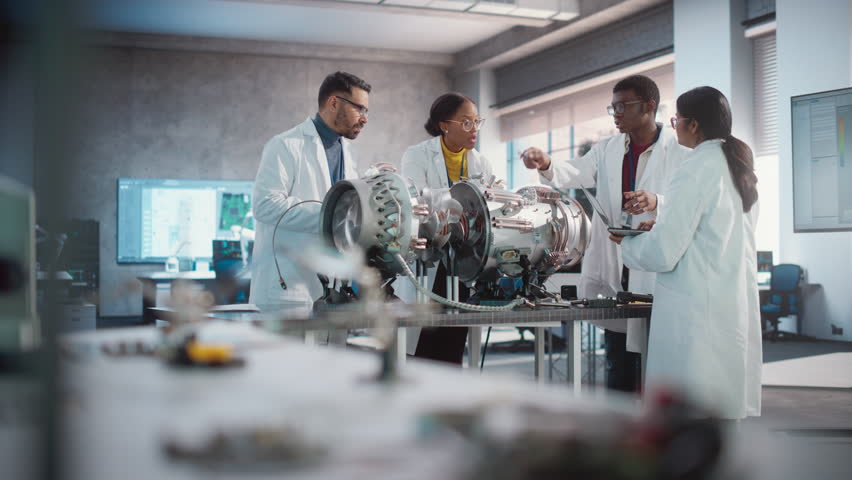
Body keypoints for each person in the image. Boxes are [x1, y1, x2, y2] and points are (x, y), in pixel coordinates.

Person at [521, 75, 688, 392]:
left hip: (654, 269)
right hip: (617, 264)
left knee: (656, 373)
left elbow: (688, 205)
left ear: (649, 107)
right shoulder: (609, 148)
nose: (616, 113)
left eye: (623, 106)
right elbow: (576, 172)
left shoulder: (677, 153)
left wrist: (657, 202)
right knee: (619, 367)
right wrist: (547, 163)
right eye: (613, 107)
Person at [610, 86, 761, 419]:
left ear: (693, 125)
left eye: (677, 119)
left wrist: (629, 243)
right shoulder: (736, 166)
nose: (673, 124)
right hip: (727, 301)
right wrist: (660, 229)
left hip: (695, 309)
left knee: (688, 417)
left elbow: (664, 253)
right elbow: (712, 234)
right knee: (720, 413)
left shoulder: (694, 168)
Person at [250, 71, 371, 326]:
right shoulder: (285, 145)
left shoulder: (346, 152)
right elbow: (265, 205)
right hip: (287, 289)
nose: (365, 118)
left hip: (329, 290)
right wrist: (331, 214)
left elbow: (348, 211)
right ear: (334, 102)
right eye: (360, 108)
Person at [400, 92, 493, 364]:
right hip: (430, 260)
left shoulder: (481, 162)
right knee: (424, 350)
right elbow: (418, 202)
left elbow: (485, 211)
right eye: (466, 122)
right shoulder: (417, 155)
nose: (474, 129)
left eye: (477, 122)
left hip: (463, 263)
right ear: (444, 124)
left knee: (453, 345)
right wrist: (465, 202)